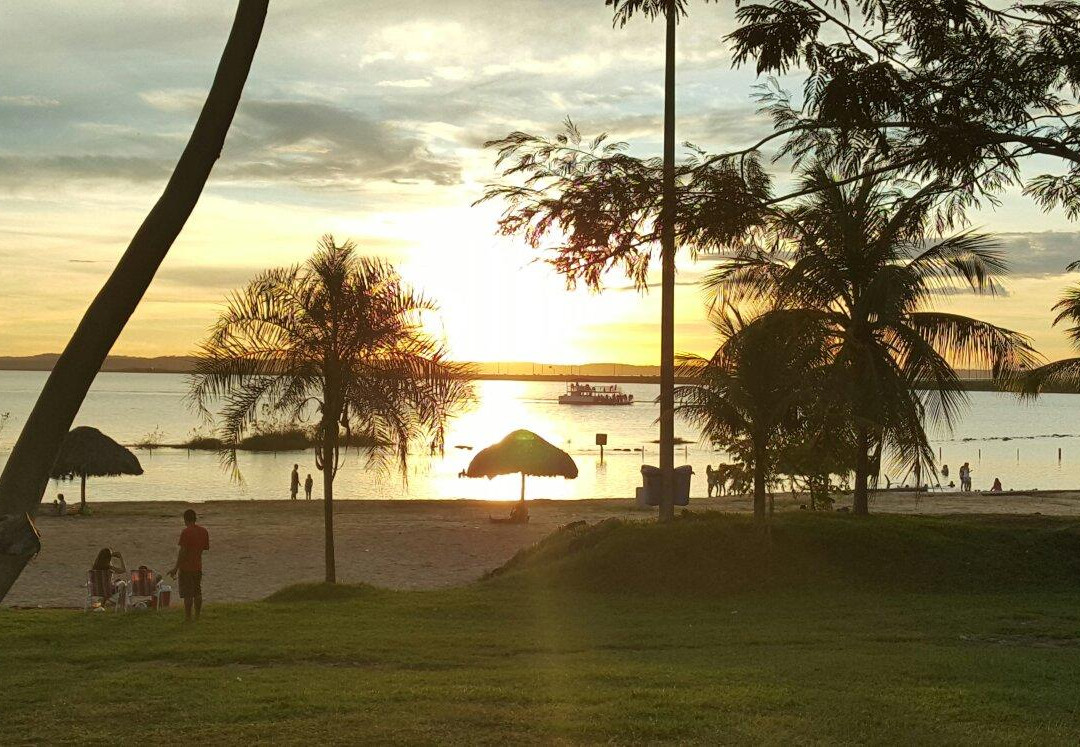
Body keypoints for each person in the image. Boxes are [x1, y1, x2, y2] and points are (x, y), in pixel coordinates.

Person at [168, 509, 210, 622]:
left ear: (185, 519)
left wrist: (176, 568)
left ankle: (188, 618)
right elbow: (204, 548)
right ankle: (197, 616)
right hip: (198, 566)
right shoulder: (204, 531)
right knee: (197, 591)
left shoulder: (186, 532)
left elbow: (183, 551)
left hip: (186, 567)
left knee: (188, 594)